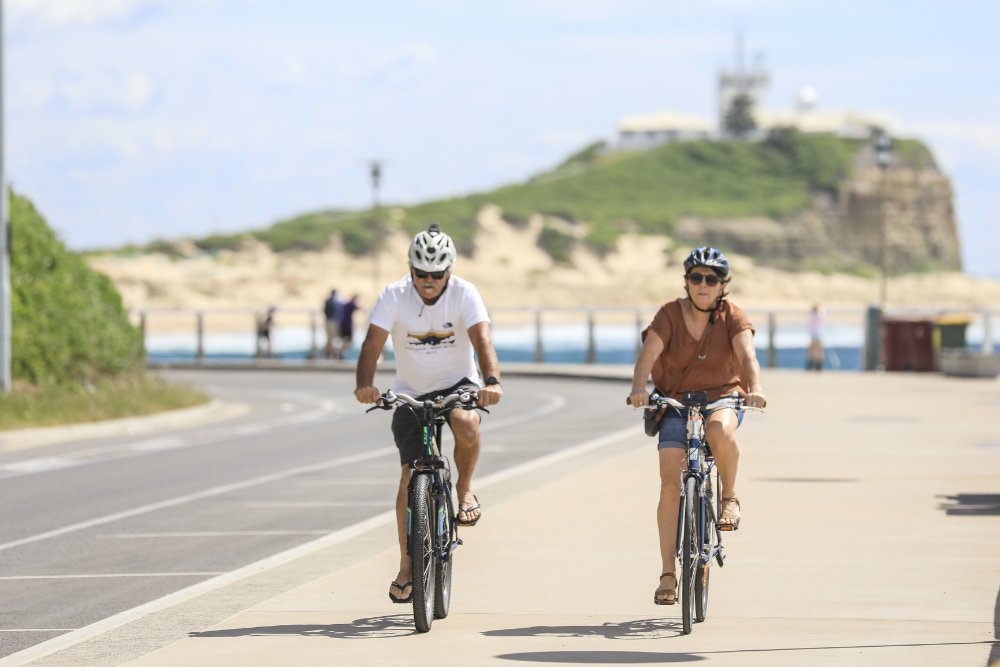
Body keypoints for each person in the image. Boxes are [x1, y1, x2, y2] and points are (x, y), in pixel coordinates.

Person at [354, 223, 504, 604]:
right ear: (411, 269)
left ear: (449, 271)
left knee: (466, 420)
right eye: (421, 273)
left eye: (437, 274)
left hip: (459, 384)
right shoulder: (394, 295)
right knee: (409, 475)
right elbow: (373, 342)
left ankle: (465, 490)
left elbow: (482, 338)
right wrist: (364, 384)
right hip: (411, 391)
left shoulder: (465, 293)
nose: (429, 281)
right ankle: (407, 565)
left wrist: (491, 381)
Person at [626, 246, 766, 606]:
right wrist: (639, 389)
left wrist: (756, 390)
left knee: (720, 431)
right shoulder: (670, 314)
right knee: (670, 482)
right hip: (676, 400)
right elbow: (649, 353)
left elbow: (748, 355)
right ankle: (667, 572)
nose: (703, 285)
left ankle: (729, 497)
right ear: (686, 281)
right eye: (696, 277)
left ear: (723, 285)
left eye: (711, 279)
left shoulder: (732, 316)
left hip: (723, 396)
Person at [323, 289, 342, 359]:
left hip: (328, 322)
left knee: (329, 339)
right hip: (334, 322)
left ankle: (329, 353)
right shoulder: (336, 301)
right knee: (334, 339)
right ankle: (333, 353)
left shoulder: (327, 301)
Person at [807, 303, 825, 371]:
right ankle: (818, 366)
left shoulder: (811, 314)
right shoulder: (820, 314)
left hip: (814, 333)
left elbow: (808, 312)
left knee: (813, 350)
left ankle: (812, 365)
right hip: (818, 333)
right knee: (819, 350)